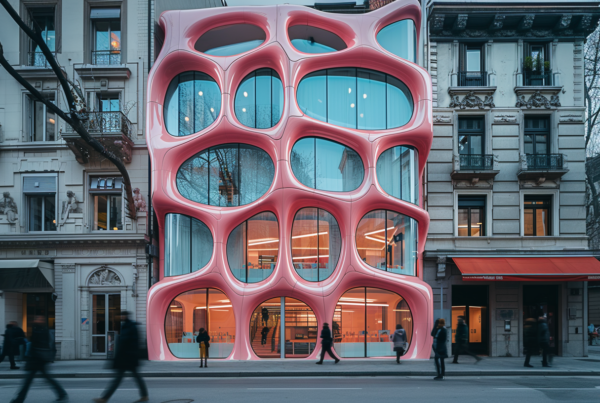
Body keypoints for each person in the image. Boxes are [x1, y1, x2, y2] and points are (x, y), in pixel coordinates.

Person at [94, 312, 148, 403]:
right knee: (133, 377)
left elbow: (127, 342)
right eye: (121, 315)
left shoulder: (129, 326)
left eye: (122, 315)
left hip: (127, 357)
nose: (121, 317)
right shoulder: (127, 326)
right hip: (128, 357)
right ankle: (144, 395)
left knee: (119, 379)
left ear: (126, 316)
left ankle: (104, 398)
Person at [10, 316, 67, 403]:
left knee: (28, 381)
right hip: (38, 360)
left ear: (41, 321)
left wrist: (29, 358)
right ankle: (62, 394)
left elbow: (36, 345)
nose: (35, 320)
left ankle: (19, 399)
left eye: (38, 319)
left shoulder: (40, 331)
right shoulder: (39, 330)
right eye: (36, 318)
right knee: (43, 379)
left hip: (37, 360)